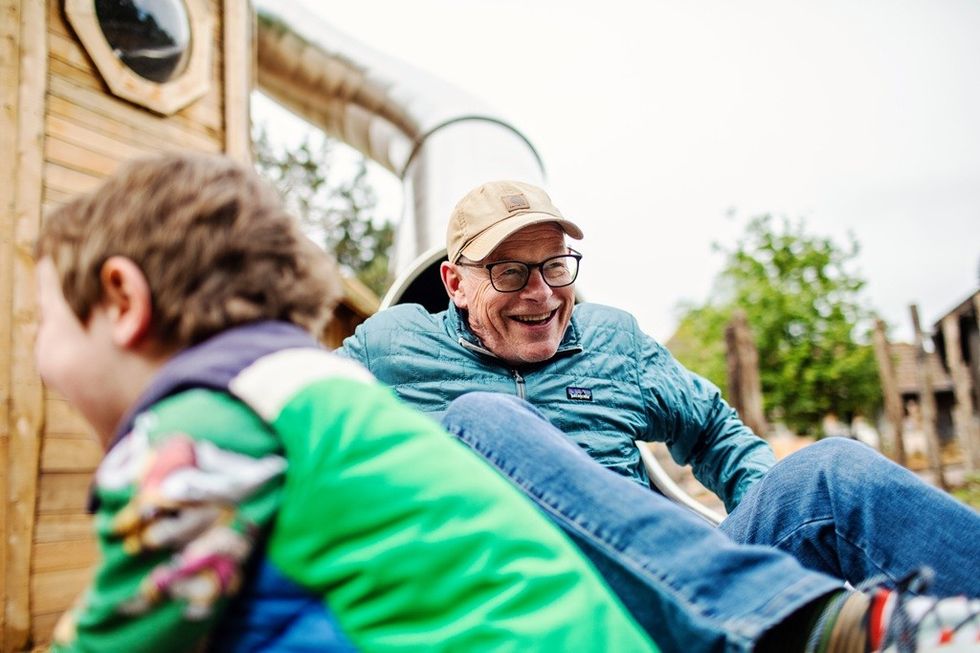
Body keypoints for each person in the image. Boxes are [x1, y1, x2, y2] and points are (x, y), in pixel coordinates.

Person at [33, 155, 658, 652]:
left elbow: (119, 634)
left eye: (45, 319)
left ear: (123, 300)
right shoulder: (315, 390)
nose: (38, 353)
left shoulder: (203, 430)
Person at [340, 179, 980, 652]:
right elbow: (292, 413)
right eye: (510, 273)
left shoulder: (614, 341)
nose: (541, 294)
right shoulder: (393, 347)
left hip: (677, 592)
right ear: (455, 284)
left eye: (556, 267)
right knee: (482, 416)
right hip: (529, 612)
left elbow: (717, 433)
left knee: (832, 473)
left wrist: (765, 579)